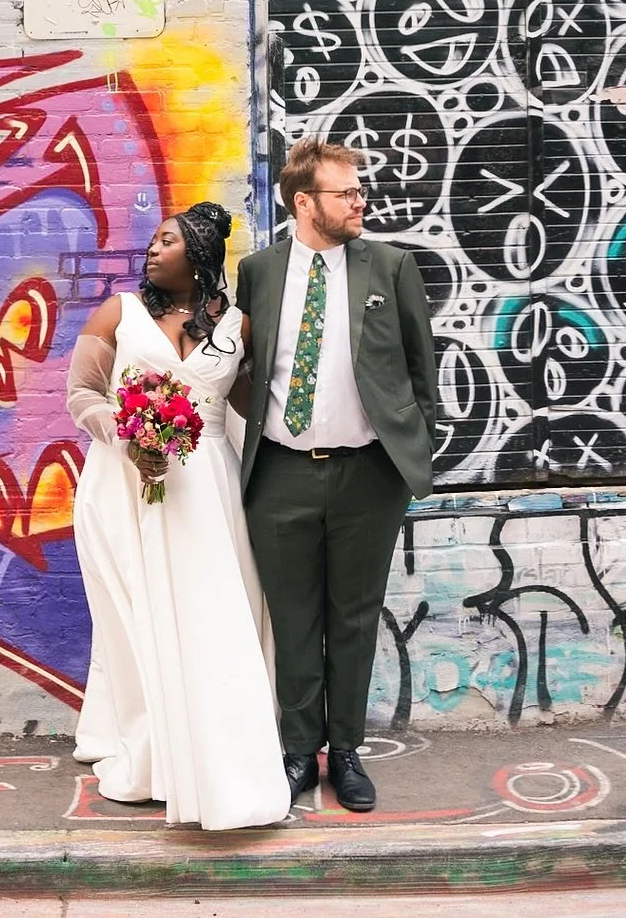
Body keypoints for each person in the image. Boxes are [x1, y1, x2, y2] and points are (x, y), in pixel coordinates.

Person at [65, 200, 291, 830]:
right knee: (136, 616)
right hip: (122, 484)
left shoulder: (238, 326)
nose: (152, 250)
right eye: (154, 241)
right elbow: (81, 393)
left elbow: (252, 404)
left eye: (167, 241)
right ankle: (152, 751)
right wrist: (126, 435)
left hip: (208, 487)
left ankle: (220, 748)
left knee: (213, 613)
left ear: (198, 256)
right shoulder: (119, 312)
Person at [236, 138, 438, 813]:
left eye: (359, 191)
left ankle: (345, 750)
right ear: (304, 202)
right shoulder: (259, 273)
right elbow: (249, 368)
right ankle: (299, 751)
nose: (360, 202)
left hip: (368, 476)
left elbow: (421, 368)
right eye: (345, 192)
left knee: (353, 618)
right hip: (281, 474)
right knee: (294, 620)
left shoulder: (391, 266)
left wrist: (411, 450)